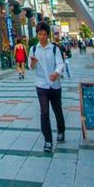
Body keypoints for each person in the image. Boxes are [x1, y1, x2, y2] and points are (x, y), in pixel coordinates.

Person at [30, 21, 66, 153]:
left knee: (57, 110)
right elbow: (31, 67)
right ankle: (48, 140)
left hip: (55, 85)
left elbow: (60, 63)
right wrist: (33, 63)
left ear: (48, 35)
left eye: (44, 34)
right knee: (44, 112)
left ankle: (61, 130)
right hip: (41, 85)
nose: (42, 37)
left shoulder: (55, 49)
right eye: (40, 34)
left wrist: (56, 73)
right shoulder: (34, 49)